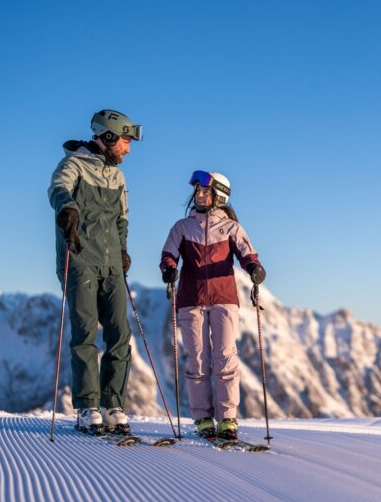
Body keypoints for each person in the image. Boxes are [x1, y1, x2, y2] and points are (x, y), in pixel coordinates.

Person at [47, 109, 142, 435]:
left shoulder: (118, 177)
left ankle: (113, 403)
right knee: (85, 333)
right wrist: (68, 207)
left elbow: (122, 219)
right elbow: (57, 190)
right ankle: (87, 408)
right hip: (80, 259)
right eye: (126, 141)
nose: (128, 149)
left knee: (119, 333)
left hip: (111, 262)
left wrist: (123, 248)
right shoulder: (72, 165)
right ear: (110, 137)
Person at [159, 171, 266, 441]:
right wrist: (169, 269)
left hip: (223, 299)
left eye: (205, 191)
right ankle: (203, 418)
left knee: (225, 357)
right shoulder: (182, 228)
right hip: (190, 301)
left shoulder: (232, 228)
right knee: (197, 360)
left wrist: (254, 268)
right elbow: (168, 254)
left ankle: (227, 419)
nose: (200, 195)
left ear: (219, 196)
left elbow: (247, 254)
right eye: (198, 191)